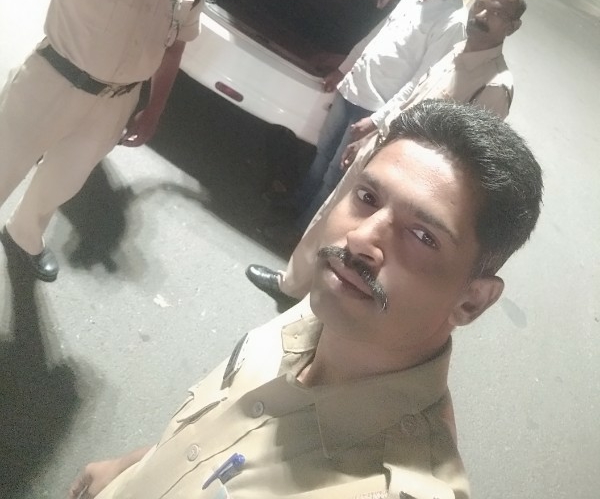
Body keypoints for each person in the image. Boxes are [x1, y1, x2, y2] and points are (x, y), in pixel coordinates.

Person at [68, 100, 543, 499]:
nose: (361, 239)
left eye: (422, 236)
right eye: (367, 197)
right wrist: (133, 470)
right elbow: (214, 438)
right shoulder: (332, 307)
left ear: (471, 302)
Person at [0, 0, 217, 282]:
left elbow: (175, 44)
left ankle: (23, 234)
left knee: (61, 183)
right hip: (51, 80)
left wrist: (152, 109)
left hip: (114, 105)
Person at [247, 0, 527, 304]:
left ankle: (324, 304)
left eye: (496, 13)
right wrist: (373, 131)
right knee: (333, 215)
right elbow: (411, 96)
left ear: (512, 26)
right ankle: (292, 285)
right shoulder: (457, 50)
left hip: (408, 184)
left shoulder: (494, 86)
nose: (481, 14)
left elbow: (467, 162)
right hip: (382, 151)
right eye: (481, 4)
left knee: (367, 247)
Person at [275, 0, 480, 229]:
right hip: (353, 87)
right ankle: (295, 206)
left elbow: (422, 81)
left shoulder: (453, 20)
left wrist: (378, 120)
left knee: (337, 174)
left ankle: (302, 230)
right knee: (321, 155)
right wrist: (344, 68)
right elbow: (379, 33)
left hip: (375, 106)